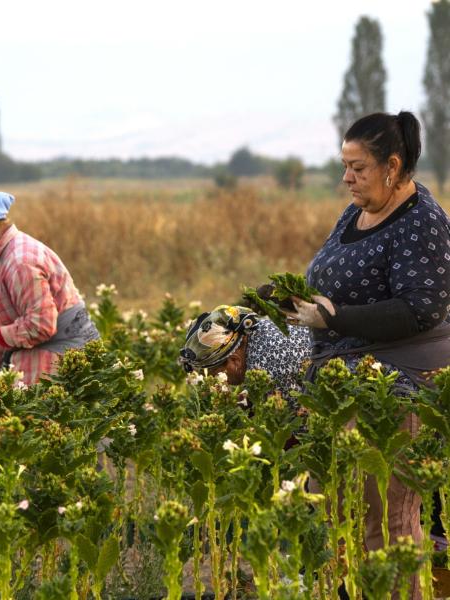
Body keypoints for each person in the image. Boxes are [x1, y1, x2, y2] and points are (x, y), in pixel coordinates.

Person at [285, 111, 450, 600]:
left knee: (387, 520)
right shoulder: (355, 212)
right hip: (340, 382)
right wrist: (291, 297)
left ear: (392, 166)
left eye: (357, 167)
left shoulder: (422, 221)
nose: (346, 178)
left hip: (394, 387)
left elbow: (420, 309)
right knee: (335, 511)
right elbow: (330, 279)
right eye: (344, 166)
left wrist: (334, 320)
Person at [0, 191, 99, 385]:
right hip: (41, 348)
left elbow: (40, 326)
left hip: (61, 354)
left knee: (34, 412)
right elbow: (13, 328)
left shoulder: (20, 261)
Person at [179, 304, 311, 399]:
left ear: (235, 361)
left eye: (215, 374)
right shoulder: (255, 330)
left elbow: (299, 425)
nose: (214, 382)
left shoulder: (266, 369)